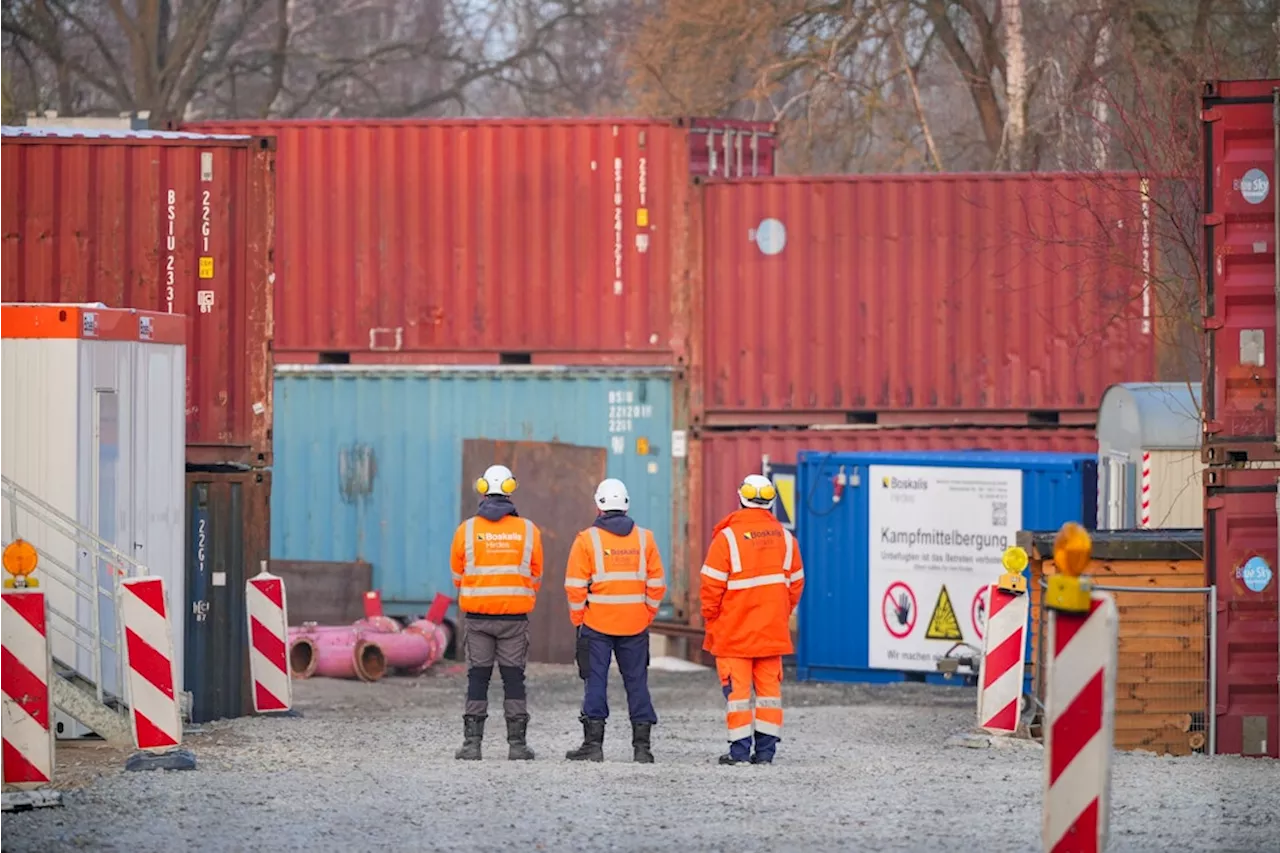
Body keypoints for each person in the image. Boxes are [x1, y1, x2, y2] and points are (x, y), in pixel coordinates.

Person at [699, 473, 804, 765]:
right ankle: (766, 753)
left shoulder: (727, 538)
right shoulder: (786, 539)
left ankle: (739, 753)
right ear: (771, 502)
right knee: (769, 693)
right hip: (771, 632)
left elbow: (710, 587)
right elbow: (795, 584)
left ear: (741, 498)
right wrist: (780, 613)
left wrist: (711, 617)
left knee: (738, 695)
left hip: (735, 633)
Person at [563, 478, 666, 763]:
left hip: (596, 625)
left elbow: (574, 586)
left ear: (598, 505)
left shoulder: (586, 540)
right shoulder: (645, 539)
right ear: (627, 504)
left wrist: (578, 619)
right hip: (635, 625)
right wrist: (646, 614)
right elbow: (657, 585)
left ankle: (593, 747)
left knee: (595, 682)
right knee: (637, 683)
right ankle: (642, 749)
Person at [449, 464, 544, 761]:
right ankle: (517, 746)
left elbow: (457, 575)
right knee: (514, 679)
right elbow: (536, 575)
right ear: (510, 489)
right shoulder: (528, 530)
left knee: (478, 678)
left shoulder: (466, 530)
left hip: (478, 619)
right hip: (514, 620)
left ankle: (472, 745)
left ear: (482, 489)